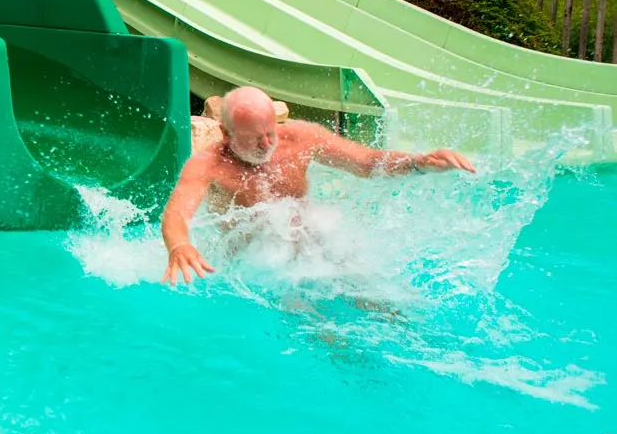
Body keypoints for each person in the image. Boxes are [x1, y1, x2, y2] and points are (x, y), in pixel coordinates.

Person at [160, 86, 477, 286]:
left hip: (314, 248)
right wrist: (179, 246)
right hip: (259, 268)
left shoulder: (300, 137)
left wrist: (418, 164)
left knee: (377, 296)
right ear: (227, 134)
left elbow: (367, 162)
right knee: (316, 325)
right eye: (254, 138)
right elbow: (176, 214)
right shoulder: (209, 164)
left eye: (271, 131)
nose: (268, 143)